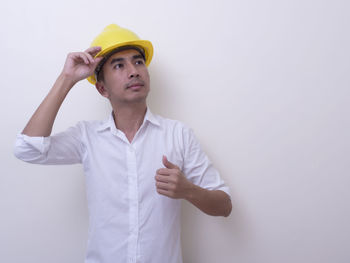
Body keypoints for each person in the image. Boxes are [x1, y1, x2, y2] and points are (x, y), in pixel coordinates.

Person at [14, 24, 232, 263]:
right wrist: (66, 78)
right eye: (119, 65)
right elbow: (27, 149)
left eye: (138, 62)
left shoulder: (178, 135)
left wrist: (188, 190)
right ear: (102, 89)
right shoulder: (87, 137)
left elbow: (224, 206)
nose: (134, 71)